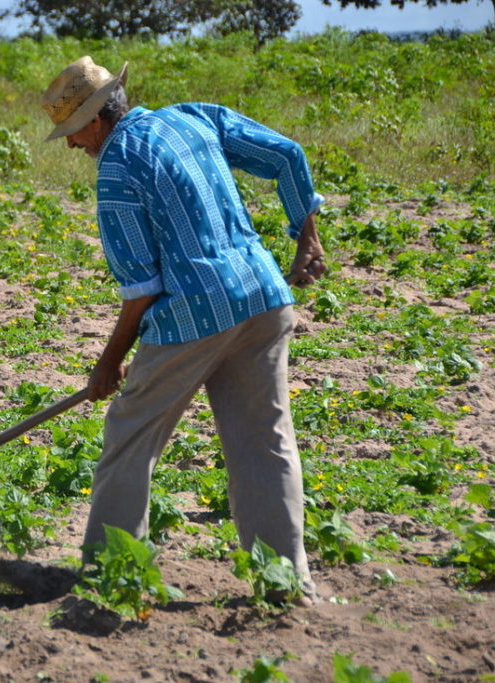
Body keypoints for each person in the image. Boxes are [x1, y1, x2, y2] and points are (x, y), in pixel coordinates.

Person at [41, 56, 327, 604]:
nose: (74, 147)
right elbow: (287, 155)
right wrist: (306, 235)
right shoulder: (193, 117)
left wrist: (109, 361)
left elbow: (142, 287)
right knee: (264, 441)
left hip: (195, 316)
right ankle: (288, 584)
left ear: (96, 120)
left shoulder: (118, 167)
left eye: (73, 134)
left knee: (130, 436)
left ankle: (111, 577)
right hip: (264, 297)